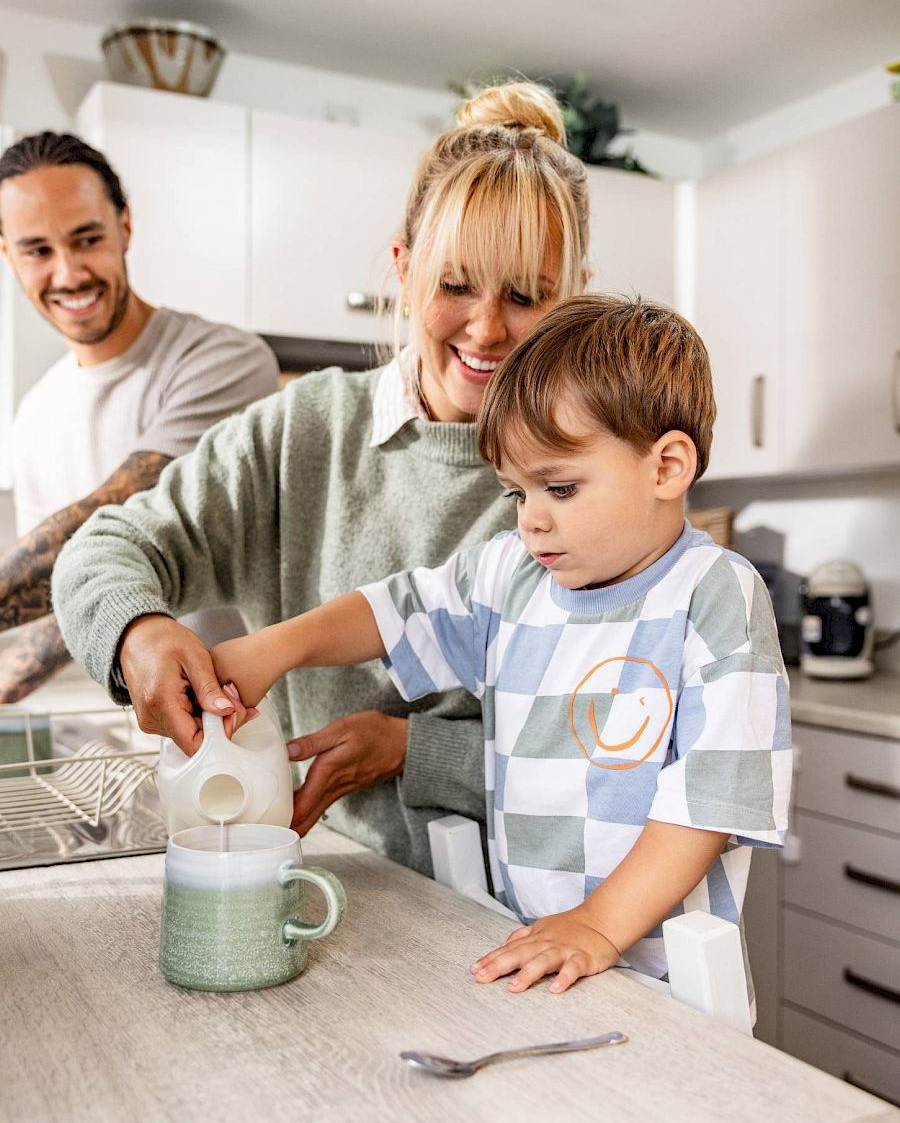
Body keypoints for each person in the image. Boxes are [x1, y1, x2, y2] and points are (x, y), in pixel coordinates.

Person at [53, 81, 592, 873]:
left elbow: (609, 749)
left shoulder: (590, 475)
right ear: (405, 272)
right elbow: (103, 549)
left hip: (541, 909)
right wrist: (138, 632)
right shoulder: (304, 431)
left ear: (570, 298)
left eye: (524, 295)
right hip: (343, 879)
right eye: (454, 285)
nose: (485, 328)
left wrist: (413, 749)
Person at [206, 294, 792, 992]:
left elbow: (709, 807)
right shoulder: (511, 572)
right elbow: (397, 613)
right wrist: (275, 648)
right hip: (538, 947)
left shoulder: (714, 594)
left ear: (667, 467)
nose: (532, 521)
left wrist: (598, 926)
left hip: (665, 978)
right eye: (517, 494)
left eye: (561, 488)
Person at [0, 132, 280, 704]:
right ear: (7, 254)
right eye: (37, 250)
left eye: (87, 239)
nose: (69, 273)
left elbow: (112, 522)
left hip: (251, 731)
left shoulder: (222, 360)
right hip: (142, 743)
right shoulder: (33, 417)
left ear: (125, 227)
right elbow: (70, 594)